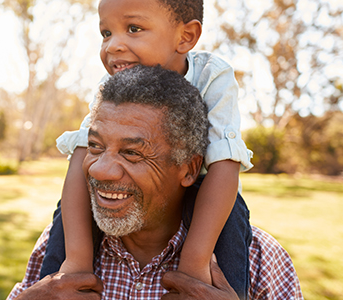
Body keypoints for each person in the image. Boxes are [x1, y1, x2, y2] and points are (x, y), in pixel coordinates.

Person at [8, 65, 303, 300]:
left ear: (189, 170)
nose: (101, 170)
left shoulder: (260, 259)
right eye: (95, 147)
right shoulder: (58, 245)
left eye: (132, 153)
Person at [41, 0, 254, 297]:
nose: (113, 45)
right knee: (68, 209)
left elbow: (225, 163)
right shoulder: (111, 85)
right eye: (106, 33)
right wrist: (75, 260)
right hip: (143, 198)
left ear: (186, 37)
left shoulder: (212, 76)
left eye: (133, 28)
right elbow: (80, 158)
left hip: (207, 192)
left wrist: (194, 265)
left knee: (233, 217)